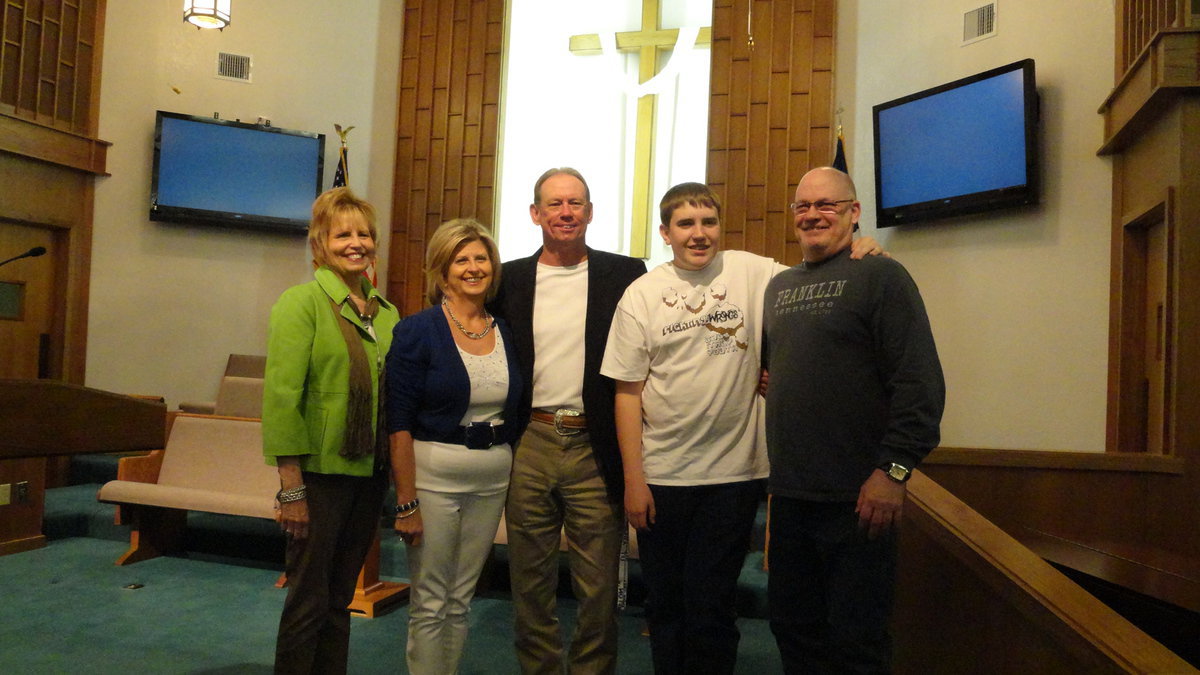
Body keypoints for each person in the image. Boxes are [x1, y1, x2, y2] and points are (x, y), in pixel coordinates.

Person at [601, 182, 881, 674]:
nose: (699, 233)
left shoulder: (755, 273)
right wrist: (633, 479)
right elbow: (627, 393)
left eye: (708, 222)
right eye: (685, 224)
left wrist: (863, 246)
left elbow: (814, 278)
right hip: (662, 476)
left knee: (711, 606)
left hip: (733, 475)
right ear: (665, 232)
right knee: (667, 605)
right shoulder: (641, 295)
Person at [762, 167, 945, 673]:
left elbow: (921, 384)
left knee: (856, 643)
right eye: (804, 206)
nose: (813, 215)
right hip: (793, 497)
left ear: (854, 213)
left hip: (861, 500)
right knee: (794, 632)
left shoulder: (882, 276)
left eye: (827, 205)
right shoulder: (778, 288)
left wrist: (894, 472)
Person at [489, 167, 647, 674]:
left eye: (575, 203)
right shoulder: (507, 278)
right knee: (529, 584)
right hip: (529, 442)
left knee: (599, 588)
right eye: (555, 204)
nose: (565, 212)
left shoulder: (626, 274)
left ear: (590, 213)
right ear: (535, 214)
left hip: (593, 445)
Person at [262, 187, 399, 675]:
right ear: (320, 242)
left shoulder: (386, 313)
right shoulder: (301, 304)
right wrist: (291, 490)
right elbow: (281, 400)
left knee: (340, 598)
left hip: (368, 475)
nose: (356, 243)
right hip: (318, 478)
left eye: (364, 233)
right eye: (343, 234)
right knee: (307, 600)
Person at [385, 218, 527, 675]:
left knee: (461, 599)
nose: (472, 267)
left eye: (480, 258)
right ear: (442, 272)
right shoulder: (417, 330)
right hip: (433, 477)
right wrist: (406, 502)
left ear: (493, 267)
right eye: (460, 260)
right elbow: (398, 423)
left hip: (491, 479)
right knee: (430, 600)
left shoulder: (505, 330)